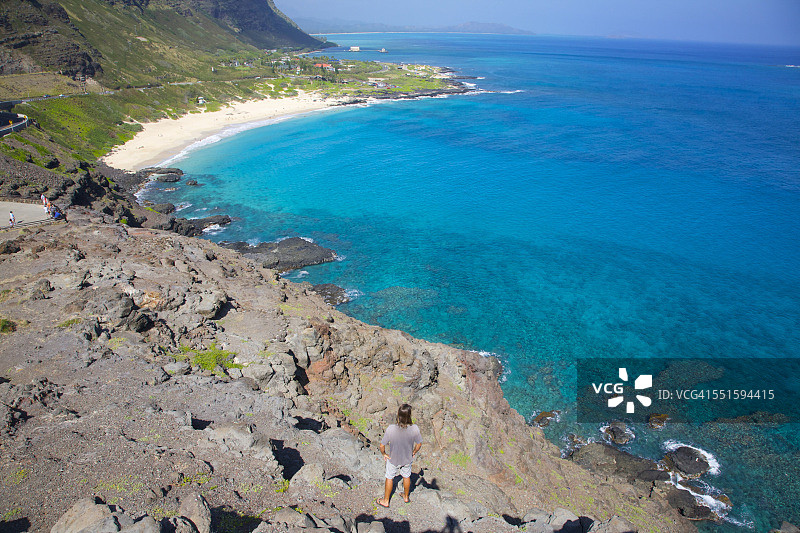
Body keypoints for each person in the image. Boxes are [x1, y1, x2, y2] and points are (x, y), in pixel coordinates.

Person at [377, 403, 422, 507]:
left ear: (398, 415)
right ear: (409, 416)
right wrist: (414, 452)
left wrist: (384, 454)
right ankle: (406, 497)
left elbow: (382, 445)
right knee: (406, 476)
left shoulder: (391, 429)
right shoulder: (414, 428)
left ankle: (386, 501)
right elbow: (419, 444)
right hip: (407, 458)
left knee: (389, 477)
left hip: (393, 459)